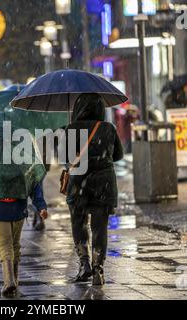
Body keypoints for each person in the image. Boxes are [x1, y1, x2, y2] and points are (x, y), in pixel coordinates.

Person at [63, 93, 123, 286]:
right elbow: (118, 155)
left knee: (78, 223)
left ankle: (84, 264)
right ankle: (98, 269)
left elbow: (65, 157)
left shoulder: (71, 129)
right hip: (103, 184)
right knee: (99, 228)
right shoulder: (108, 128)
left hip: (79, 184)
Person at [0, 184, 48, 297]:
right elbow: (34, 185)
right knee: (14, 244)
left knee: (4, 244)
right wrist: (41, 206)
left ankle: (9, 281)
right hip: (18, 209)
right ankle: (14, 279)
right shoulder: (24, 165)